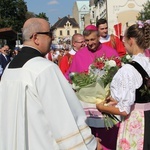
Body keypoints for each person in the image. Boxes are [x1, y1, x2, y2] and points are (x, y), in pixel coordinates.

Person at [0, 18, 102, 150]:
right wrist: (90, 144)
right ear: (36, 37)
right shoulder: (44, 69)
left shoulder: (9, 69)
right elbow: (63, 116)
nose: (52, 38)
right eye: (49, 34)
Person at [96, 21, 150, 149]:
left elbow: (124, 110)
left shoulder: (128, 70)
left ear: (131, 41)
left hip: (137, 123)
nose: (123, 45)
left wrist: (101, 107)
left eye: (124, 41)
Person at [65, 24, 119, 150]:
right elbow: (71, 76)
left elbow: (118, 76)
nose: (89, 43)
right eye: (87, 40)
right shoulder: (79, 55)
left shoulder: (110, 52)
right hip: (86, 106)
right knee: (91, 140)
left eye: (92, 40)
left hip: (106, 103)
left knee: (108, 139)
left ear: (99, 37)